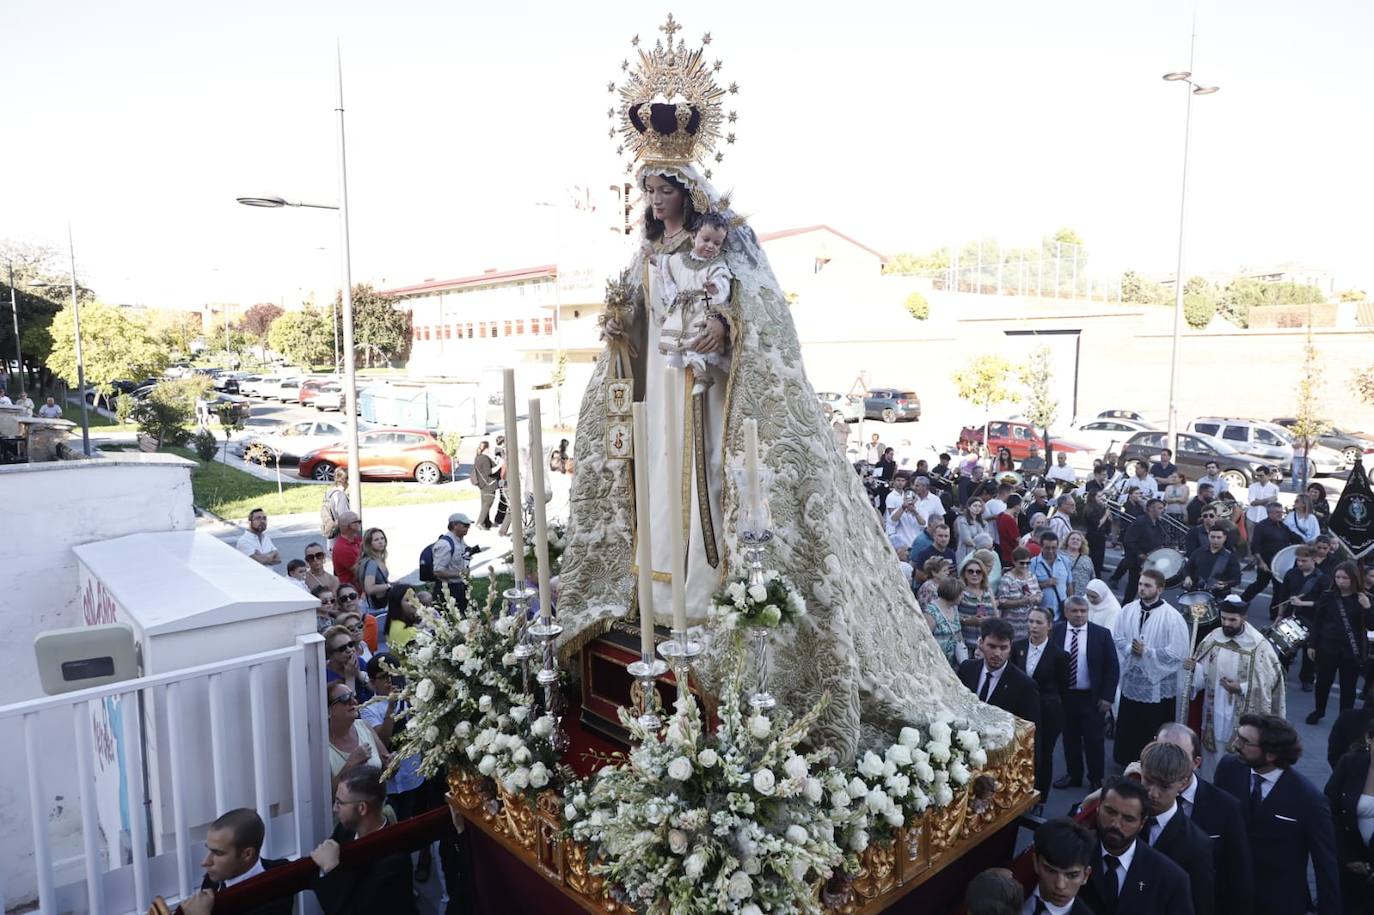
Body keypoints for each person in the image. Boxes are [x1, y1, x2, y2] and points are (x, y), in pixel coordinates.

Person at [558, 116, 1014, 763]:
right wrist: (618, 326)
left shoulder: (720, 247)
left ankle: (698, 599)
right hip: (654, 393)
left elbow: (763, 315)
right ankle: (651, 597)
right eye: (648, 189)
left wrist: (723, 326)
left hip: (705, 396)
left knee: (705, 491)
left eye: (664, 187)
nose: (655, 200)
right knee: (653, 491)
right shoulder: (647, 258)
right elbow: (630, 326)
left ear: (688, 188)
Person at [1214, 714, 1340, 915]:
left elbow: (1326, 867)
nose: (1236, 744)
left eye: (1245, 741)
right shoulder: (1229, 769)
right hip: (1228, 898)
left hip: (1279, 904)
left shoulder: (1309, 800)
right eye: (1239, 736)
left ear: (1271, 754)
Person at [1154, 722, 1254, 915]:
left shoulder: (1226, 808)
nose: (1167, 763)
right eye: (1161, 751)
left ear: (1196, 762)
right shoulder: (1137, 798)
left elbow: (1239, 879)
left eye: (1179, 757)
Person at [1184, 595, 1286, 776]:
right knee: (1211, 757)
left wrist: (1241, 688)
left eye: (1232, 619)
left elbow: (1268, 684)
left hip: (1240, 713)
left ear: (1244, 619)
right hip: (1213, 712)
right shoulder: (1213, 638)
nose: (1227, 623)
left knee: (1237, 761)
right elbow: (1202, 674)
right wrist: (1195, 669)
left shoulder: (1258, 646)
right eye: (1223, 618)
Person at [1079, 777, 1195, 915]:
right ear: (1098, 808)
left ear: (1142, 822)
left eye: (1128, 819)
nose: (1115, 824)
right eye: (1110, 812)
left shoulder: (1169, 878)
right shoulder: (1076, 854)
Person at [310, 766, 417, 914]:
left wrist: (331, 869)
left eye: (339, 802)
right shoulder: (344, 830)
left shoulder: (394, 861)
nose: (335, 808)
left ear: (362, 808)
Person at [1112, 569, 1189, 767]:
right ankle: (1126, 760)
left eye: (1147, 585)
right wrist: (1131, 649)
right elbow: (1117, 637)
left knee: (1151, 728)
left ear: (1160, 589)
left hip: (1157, 686)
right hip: (1132, 682)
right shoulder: (1128, 609)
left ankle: (1152, 764)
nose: (1142, 589)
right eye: (1140, 584)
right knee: (1130, 724)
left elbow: (1177, 652)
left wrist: (1149, 653)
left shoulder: (1172, 617)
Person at [654, 212, 733, 395]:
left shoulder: (717, 263)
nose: (710, 246)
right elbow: (665, 265)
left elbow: (723, 280)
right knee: (682, 338)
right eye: (706, 239)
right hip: (684, 307)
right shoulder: (681, 259)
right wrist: (653, 257)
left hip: (704, 302)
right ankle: (699, 372)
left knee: (697, 335)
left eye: (717, 243)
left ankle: (702, 376)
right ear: (693, 236)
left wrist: (714, 287)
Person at [1136, 741, 1215, 915]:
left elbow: (1201, 905)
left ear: (1183, 783)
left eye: (1164, 786)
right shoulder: (1125, 817)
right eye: (1148, 781)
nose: (1153, 793)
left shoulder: (1197, 845)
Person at [1054, 596, 1119, 792]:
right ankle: (1073, 775)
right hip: (1066, 697)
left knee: (1094, 740)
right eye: (1075, 611)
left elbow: (1112, 668)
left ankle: (1096, 778)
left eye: (1083, 611)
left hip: (1092, 698)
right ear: (1066, 612)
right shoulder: (1055, 632)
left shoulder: (1101, 634)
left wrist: (1107, 697)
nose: (1080, 615)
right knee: (1069, 738)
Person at [1014, 606, 1069, 808]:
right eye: (1031, 621)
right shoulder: (1017, 647)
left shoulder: (1059, 655)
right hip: (1019, 711)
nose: (1033, 626)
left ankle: (1040, 799)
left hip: (1047, 714)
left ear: (1049, 626)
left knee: (1043, 756)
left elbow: (1064, 688)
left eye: (1038, 622)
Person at [1307, 562, 1371, 726]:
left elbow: (1371, 625)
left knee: (1348, 686)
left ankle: (1344, 717)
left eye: (1345, 578)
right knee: (1323, 681)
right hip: (1327, 645)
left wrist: (1368, 608)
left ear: (1354, 579)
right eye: (1337, 577)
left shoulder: (1364, 598)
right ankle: (1319, 710)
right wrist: (1312, 644)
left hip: (1352, 648)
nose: (1340, 581)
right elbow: (1317, 622)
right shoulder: (1327, 596)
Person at [1323, 717, 1374, 914]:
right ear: (1368, 739)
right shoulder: (1349, 763)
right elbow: (1330, 811)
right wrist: (1347, 857)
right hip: (1350, 861)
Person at [958, 618, 1040, 724]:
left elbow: (1030, 732)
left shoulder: (1024, 685)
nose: (997, 653)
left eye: (1003, 648)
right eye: (992, 646)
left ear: (1010, 647)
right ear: (981, 643)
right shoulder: (967, 669)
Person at [325, 681, 388, 797]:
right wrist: (350, 765)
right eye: (345, 699)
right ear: (328, 711)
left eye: (353, 696)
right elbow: (324, 797)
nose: (354, 702)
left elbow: (387, 768)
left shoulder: (364, 726)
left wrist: (392, 764)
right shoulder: (321, 747)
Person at [1282, 545, 1331, 689]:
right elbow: (1283, 595)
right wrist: (1280, 615)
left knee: (1308, 652)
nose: (1300, 564)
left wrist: (1302, 602)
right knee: (1285, 649)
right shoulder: (1291, 574)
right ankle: (1281, 675)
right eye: (1298, 560)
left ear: (1314, 559)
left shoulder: (1323, 579)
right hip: (1291, 615)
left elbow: (1324, 602)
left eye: (1304, 561)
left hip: (1312, 618)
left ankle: (1307, 679)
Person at [1025, 818, 1098, 914]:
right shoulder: (1014, 886)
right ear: (1036, 862)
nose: (1060, 885)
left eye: (1072, 875)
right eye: (1051, 871)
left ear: (1085, 875)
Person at [1238, 502, 1294, 605]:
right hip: (1266, 562)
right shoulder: (1261, 526)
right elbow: (1255, 546)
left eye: (1281, 512)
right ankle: (1241, 602)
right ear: (1270, 513)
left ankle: (1275, 613)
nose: (1280, 514)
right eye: (1277, 512)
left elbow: (1294, 538)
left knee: (1279, 588)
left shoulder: (1283, 526)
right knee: (1260, 584)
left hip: (1279, 564)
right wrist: (1261, 562)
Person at [1119, 499, 1166, 602]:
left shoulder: (1159, 524)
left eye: (1162, 508)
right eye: (1160, 508)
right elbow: (1128, 540)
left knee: (1150, 590)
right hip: (1137, 562)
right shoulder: (1140, 522)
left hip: (1151, 562)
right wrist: (1140, 554)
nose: (1162, 511)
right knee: (1133, 588)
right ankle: (1125, 610)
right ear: (1150, 509)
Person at [1181, 528, 1241, 599]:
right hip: (1196, 592)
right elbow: (1187, 568)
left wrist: (1225, 584)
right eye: (1213, 537)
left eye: (1219, 537)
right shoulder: (1198, 552)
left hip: (1218, 595)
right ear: (1208, 537)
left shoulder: (1230, 557)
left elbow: (1237, 579)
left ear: (1224, 538)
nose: (1215, 540)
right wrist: (1187, 577)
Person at [431, 512, 475, 609]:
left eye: (469, 526)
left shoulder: (460, 540)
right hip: (448, 590)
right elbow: (438, 571)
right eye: (465, 525)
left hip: (460, 586)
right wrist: (460, 573)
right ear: (455, 525)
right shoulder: (445, 545)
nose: (468, 528)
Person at [997, 547, 1042, 642]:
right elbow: (1002, 602)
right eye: (1022, 563)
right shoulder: (1007, 579)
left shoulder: (1031, 576)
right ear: (1014, 562)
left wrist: (1036, 599)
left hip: (1030, 626)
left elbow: (1039, 594)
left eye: (1028, 563)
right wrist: (1022, 602)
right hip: (1013, 627)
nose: (1025, 566)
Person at [958, 561, 999, 658]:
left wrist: (987, 620)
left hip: (985, 644)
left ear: (983, 574)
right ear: (964, 574)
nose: (974, 574)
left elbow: (996, 615)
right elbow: (952, 616)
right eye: (970, 571)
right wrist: (968, 620)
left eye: (978, 572)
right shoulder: (960, 592)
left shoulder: (988, 591)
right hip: (966, 643)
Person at [925, 575, 967, 669]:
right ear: (953, 593)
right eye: (961, 594)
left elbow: (958, 632)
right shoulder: (932, 612)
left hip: (954, 662)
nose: (963, 597)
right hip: (938, 663)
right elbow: (926, 638)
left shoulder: (954, 608)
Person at [324, 626, 372, 705]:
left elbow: (377, 691)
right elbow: (349, 708)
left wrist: (359, 674)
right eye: (342, 648)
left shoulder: (360, 662)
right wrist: (350, 678)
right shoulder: (325, 676)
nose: (349, 650)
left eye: (350, 644)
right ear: (330, 654)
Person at [1032, 531, 1073, 619]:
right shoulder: (1033, 563)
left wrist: (1071, 604)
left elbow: (1069, 584)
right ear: (1041, 547)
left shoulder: (1065, 561)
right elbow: (1028, 587)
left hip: (1061, 612)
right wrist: (1045, 584)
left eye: (1054, 548)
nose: (1051, 551)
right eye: (1047, 548)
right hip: (1041, 612)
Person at [355, 527, 390, 618]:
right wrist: (389, 586)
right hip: (374, 608)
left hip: (381, 604)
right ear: (369, 544)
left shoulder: (379, 559)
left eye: (382, 538)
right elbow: (369, 588)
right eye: (376, 540)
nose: (381, 542)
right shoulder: (372, 563)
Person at [331, 512, 363, 591]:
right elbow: (361, 572)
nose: (360, 523)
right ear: (350, 526)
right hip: (353, 595)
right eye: (358, 521)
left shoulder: (356, 539)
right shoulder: (342, 548)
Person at [472, 440, 499, 529]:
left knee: (484, 503)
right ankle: (480, 522)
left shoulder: (478, 457)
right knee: (488, 503)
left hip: (482, 484)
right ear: (486, 448)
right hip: (489, 484)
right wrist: (500, 465)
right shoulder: (485, 458)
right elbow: (489, 471)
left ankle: (486, 523)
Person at [1245, 467, 1280, 531]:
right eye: (1257, 476)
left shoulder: (1274, 488)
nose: (1258, 478)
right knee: (1250, 540)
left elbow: (1271, 506)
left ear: (1268, 475)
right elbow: (1252, 502)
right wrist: (1267, 499)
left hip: (1265, 518)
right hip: (1251, 517)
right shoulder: (1252, 486)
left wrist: (1257, 501)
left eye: (1261, 476)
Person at [1064, 531, 1095, 603]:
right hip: (1064, 593)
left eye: (1078, 540)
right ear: (1067, 541)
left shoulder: (1087, 559)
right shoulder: (1060, 555)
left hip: (1082, 595)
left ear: (1082, 543)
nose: (1075, 541)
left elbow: (1092, 577)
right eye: (1073, 539)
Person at [322, 467, 350, 542]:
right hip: (340, 539)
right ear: (345, 481)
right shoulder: (340, 496)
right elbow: (345, 519)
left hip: (331, 535)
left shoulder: (329, 493)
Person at [995, 496, 1024, 565]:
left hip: (1004, 551)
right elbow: (1018, 539)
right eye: (1020, 505)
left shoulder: (1000, 515)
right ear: (1016, 506)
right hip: (1011, 555)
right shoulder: (1009, 520)